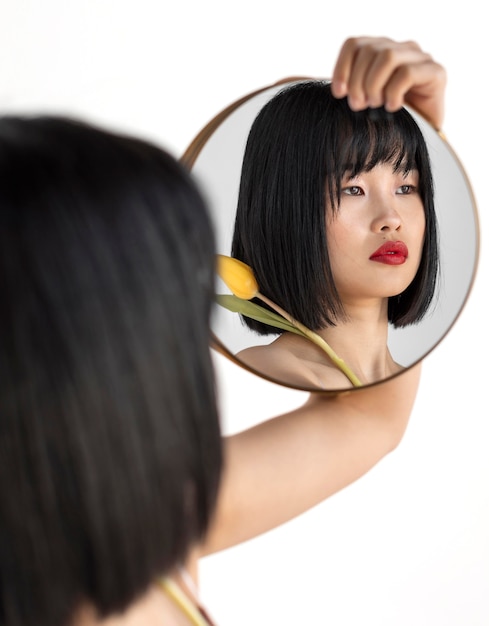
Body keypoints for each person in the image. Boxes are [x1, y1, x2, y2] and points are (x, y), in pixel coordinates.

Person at [0, 36, 444, 626]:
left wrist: (423, 133)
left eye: (408, 185)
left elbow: (367, 418)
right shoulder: (146, 536)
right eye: (172, 305)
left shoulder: (132, 529)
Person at [231, 38, 445, 389]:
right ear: (286, 207)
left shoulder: (419, 384)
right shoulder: (265, 374)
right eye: (353, 189)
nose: (391, 218)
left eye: (406, 187)